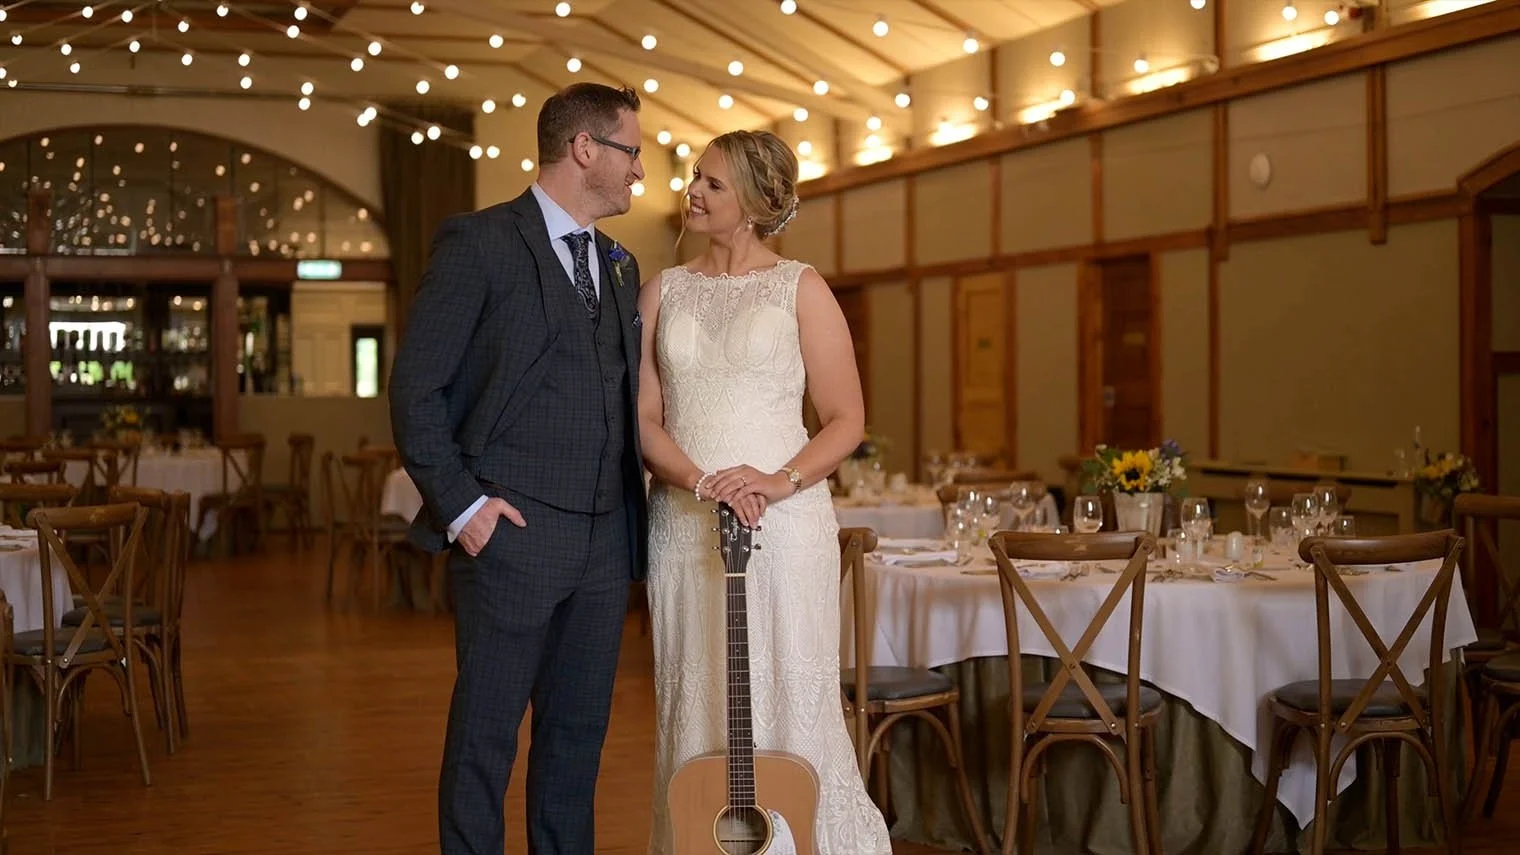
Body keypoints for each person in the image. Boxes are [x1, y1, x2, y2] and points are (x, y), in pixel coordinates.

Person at [388, 82, 650, 855]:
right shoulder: (480, 242)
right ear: (584, 149)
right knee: (484, 744)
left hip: (605, 548)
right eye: (631, 151)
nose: (639, 171)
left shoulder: (623, 265)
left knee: (575, 747)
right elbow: (415, 389)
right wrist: (466, 510)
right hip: (510, 538)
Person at [637, 130, 892, 854]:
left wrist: (776, 481)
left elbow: (846, 418)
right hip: (685, 524)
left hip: (783, 527)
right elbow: (643, 417)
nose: (692, 191)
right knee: (699, 697)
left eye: (711, 183)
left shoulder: (801, 287)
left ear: (751, 201)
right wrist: (699, 480)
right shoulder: (663, 289)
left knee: (784, 693)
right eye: (695, 178)